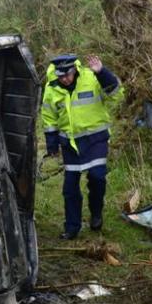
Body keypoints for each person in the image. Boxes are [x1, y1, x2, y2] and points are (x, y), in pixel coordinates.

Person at [41, 53, 123, 240]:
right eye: (61, 76)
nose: (65, 79)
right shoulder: (51, 88)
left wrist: (102, 73)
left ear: (75, 70)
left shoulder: (91, 77)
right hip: (70, 145)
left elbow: (116, 94)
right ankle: (72, 227)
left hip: (96, 140)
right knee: (70, 188)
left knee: (97, 178)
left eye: (68, 75)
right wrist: (52, 144)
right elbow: (49, 117)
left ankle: (96, 214)